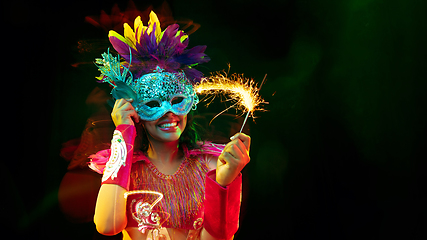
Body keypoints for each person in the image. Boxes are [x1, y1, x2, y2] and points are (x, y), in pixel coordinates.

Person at [88, 11, 251, 240]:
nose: (169, 113)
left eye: (176, 101)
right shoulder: (125, 168)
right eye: (153, 103)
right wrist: (123, 133)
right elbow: (108, 225)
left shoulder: (212, 165)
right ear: (134, 109)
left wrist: (223, 182)